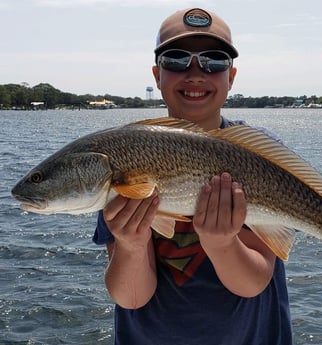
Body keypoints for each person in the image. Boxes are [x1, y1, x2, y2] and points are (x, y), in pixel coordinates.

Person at [93, 8, 292, 345]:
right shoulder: (127, 158)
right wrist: (131, 243)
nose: (196, 73)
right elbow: (132, 297)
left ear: (231, 76)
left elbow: (254, 282)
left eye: (214, 61)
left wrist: (222, 243)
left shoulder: (259, 157)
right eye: (176, 59)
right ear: (157, 75)